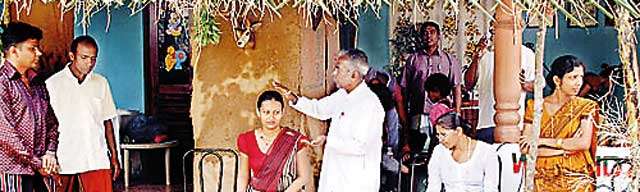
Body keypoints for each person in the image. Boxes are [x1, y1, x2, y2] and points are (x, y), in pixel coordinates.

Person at [273, 49, 385, 192]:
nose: (333, 74)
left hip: (356, 183)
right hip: (336, 177)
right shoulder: (343, 95)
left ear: (354, 74)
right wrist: (294, 99)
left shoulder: (370, 104)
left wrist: (328, 140)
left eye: (338, 69)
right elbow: (320, 109)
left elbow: (360, 146)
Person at [464, 27, 535, 191]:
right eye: (492, 30)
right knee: (485, 177)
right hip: (485, 124)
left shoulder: (526, 54)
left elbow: (539, 86)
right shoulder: (485, 56)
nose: (494, 33)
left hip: (513, 127)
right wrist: (476, 57)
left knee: (510, 176)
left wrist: (524, 84)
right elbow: (468, 84)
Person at [45, 35, 120, 191]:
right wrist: (47, 155)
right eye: (84, 57)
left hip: (96, 156)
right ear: (72, 56)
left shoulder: (101, 82)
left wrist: (114, 156)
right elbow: (46, 124)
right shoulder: (53, 84)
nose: (90, 63)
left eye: (93, 58)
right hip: (64, 156)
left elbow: (107, 122)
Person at [520, 55, 598, 191]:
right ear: (557, 80)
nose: (579, 83)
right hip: (542, 178)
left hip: (576, 178)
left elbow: (583, 143)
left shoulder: (586, 107)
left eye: (581, 77)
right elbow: (526, 148)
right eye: (573, 77)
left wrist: (540, 141)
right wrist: (566, 149)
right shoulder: (535, 107)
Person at [0, 22, 59, 191]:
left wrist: (50, 152)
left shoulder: (38, 83)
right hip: (12, 170)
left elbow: (52, 124)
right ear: (13, 51)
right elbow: (5, 135)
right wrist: (37, 162)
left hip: (42, 170)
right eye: (32, 48)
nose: (39, 53)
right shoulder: (3, 83)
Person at [400, 21, 463, 163]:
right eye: (425, 33)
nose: (429, 36)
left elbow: (457, 88)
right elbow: (404, 89)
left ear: (439, 36)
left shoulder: (449, 60)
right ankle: (420, 182)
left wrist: (457, 115)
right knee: (418, 150)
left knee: (442, 151)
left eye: (432, 32)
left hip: (443, 115)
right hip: (418, 113)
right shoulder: (413, 60)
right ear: (421, 36)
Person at [236, 90, 312, 192]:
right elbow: (243, 175)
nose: (271, 117)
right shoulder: (246, 139)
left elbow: (304, 176)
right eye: (266, 112)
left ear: (282, 112)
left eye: (276, 112)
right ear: (259, 112)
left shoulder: (295, 140)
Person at [427, 112, 499, 192]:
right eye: (438, 135)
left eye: (443, 135)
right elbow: (433, 187)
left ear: (458, 131)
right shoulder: (439, 151)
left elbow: (491, 188)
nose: (440, 140)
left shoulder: (486, 151)